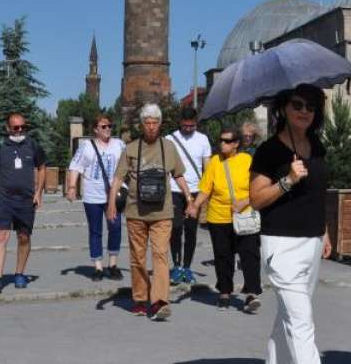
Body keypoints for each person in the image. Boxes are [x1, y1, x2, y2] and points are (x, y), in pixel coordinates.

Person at [249, 84, 332, 364]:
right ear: (284, 108)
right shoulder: (269, 151)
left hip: (312, 242)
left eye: (311, 106)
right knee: (301, 321)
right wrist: (287, 181)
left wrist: (325, 232)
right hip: (282, 246)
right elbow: (256, 199)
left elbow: (317, 195)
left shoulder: (317, 145)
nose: (305, 111)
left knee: (289, 316)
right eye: (298, 105)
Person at [107, 102, 192, 320]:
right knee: (137, 257)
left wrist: (189, 198)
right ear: (142, 125)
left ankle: (160, 301)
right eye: (147, 123)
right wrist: (111, 203)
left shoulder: (169, 147)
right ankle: (139, 298)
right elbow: (118, 177)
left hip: (163, 212)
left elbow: (179, 175)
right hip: (136, 211)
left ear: (160, 124)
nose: (151, 127)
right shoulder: (132, 148)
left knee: (161, 255)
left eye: (155, 122)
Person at [189, 125, 262, 313]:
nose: (222, 144)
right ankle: (224, 293)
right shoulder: (215, 162)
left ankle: (251, 294)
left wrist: (244, 201)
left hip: (245, 215)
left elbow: (258, 187)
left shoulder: (247, 160)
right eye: (221, 140)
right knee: (223, 256)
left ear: (236, 143)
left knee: (249, 255)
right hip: (218, 217)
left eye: (227, 141)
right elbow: (206, 188)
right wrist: (195, 206)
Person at [0, 112, 46, 294]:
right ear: (8, 128)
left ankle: (19, 273)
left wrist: (38, 193)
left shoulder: (32, 145)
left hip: (26, 201)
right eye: (16, 127)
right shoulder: (0, 147)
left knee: (24, 237)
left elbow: (42, 168)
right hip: (4, 199)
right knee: (1, 236)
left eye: (23, 127)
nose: (20, 130)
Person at [66, 113, 126, 281]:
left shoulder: (119, 145)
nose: (108, 129)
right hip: (92, 195)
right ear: (95, 129)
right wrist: (71, 187)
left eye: (109, 126)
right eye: (103, 127)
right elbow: (75, 166)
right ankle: (98, 267)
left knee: (115, 228)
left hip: (113, 195)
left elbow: (128, 167)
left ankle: (113, 264)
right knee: (95, 231)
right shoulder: (87, 146)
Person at [165, 106, 211, 285]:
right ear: (180, 123)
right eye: (185, 126)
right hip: (175, 190)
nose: (188, 129)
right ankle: (176, 266)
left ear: (196, 123)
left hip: (196, 190)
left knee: (191, 230)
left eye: (191, 126)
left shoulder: (203, 139)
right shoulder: (170, 139)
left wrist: (206, 192)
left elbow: (207, 167)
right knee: (176, 228)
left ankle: (187, 267)